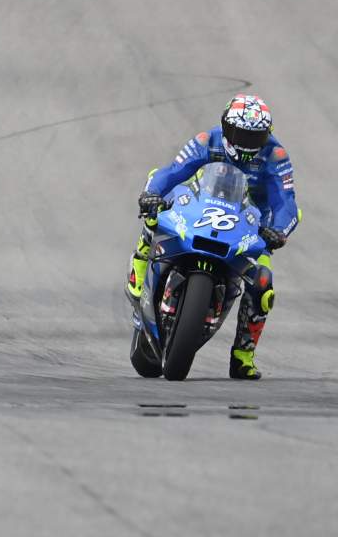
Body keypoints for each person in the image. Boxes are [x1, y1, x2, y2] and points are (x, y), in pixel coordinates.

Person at [126, 94, 300, 380]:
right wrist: (152, 194)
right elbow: (173, 171)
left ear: (266, 136)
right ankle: (141, 262)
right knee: (155, 206)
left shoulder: (276, 156)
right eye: (239, 133)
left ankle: (243, 356)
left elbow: (286, 202)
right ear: (225, 127)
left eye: (254, 137)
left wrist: (278, 230)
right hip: (200, 207)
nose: (245, 143)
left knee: (263, 284)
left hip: (251, 223)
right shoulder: (208, 139)